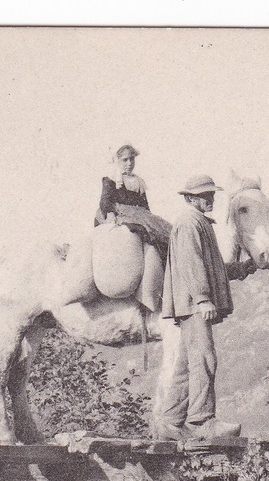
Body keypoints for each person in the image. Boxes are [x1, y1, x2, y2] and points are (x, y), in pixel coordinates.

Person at [155, 174, 245, 439]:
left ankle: (170, 422)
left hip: (190, 305)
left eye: (212, 195)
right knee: (204, 359)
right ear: (191, 198)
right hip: (194, 305)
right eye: (206, 196)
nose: (211, 200)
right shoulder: (189, 223)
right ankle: (201, 421)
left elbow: (211, 267)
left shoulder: (197, 223)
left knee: (186, 365)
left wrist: (241, 268)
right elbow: (191, 263)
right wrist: (203, 298)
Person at [95, 143, 171, 252]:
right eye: (125, 160)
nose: (129, 163)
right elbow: (105, 201)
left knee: (163, 229)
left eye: (132, 159)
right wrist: (110, 214)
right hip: (119, 212)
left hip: (138, 213)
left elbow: (145, 206)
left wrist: (151, 219)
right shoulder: (111, 177)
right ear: (118, 160)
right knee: (142, 229)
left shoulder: (138, 181)